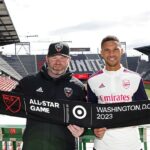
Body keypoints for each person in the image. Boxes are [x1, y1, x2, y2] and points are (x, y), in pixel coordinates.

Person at [12, 42, 86, 150]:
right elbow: (7, 103)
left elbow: (85, 116)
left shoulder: (78, 87)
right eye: (54, 57)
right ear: (47, 58)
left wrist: (82, 130)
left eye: (62, 58)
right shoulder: (28, 82)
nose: (58, 61)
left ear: (69, 60)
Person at [87, 35, 148, 150]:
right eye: (107, 50)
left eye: (115, 49)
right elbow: (91, 113)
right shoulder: (93, 80)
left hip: (131, 145)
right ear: (101, 53)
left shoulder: (135, 78)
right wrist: (94, 128)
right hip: (102, 146)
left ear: (122, 51)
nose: (111, 54)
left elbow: (145, 112)